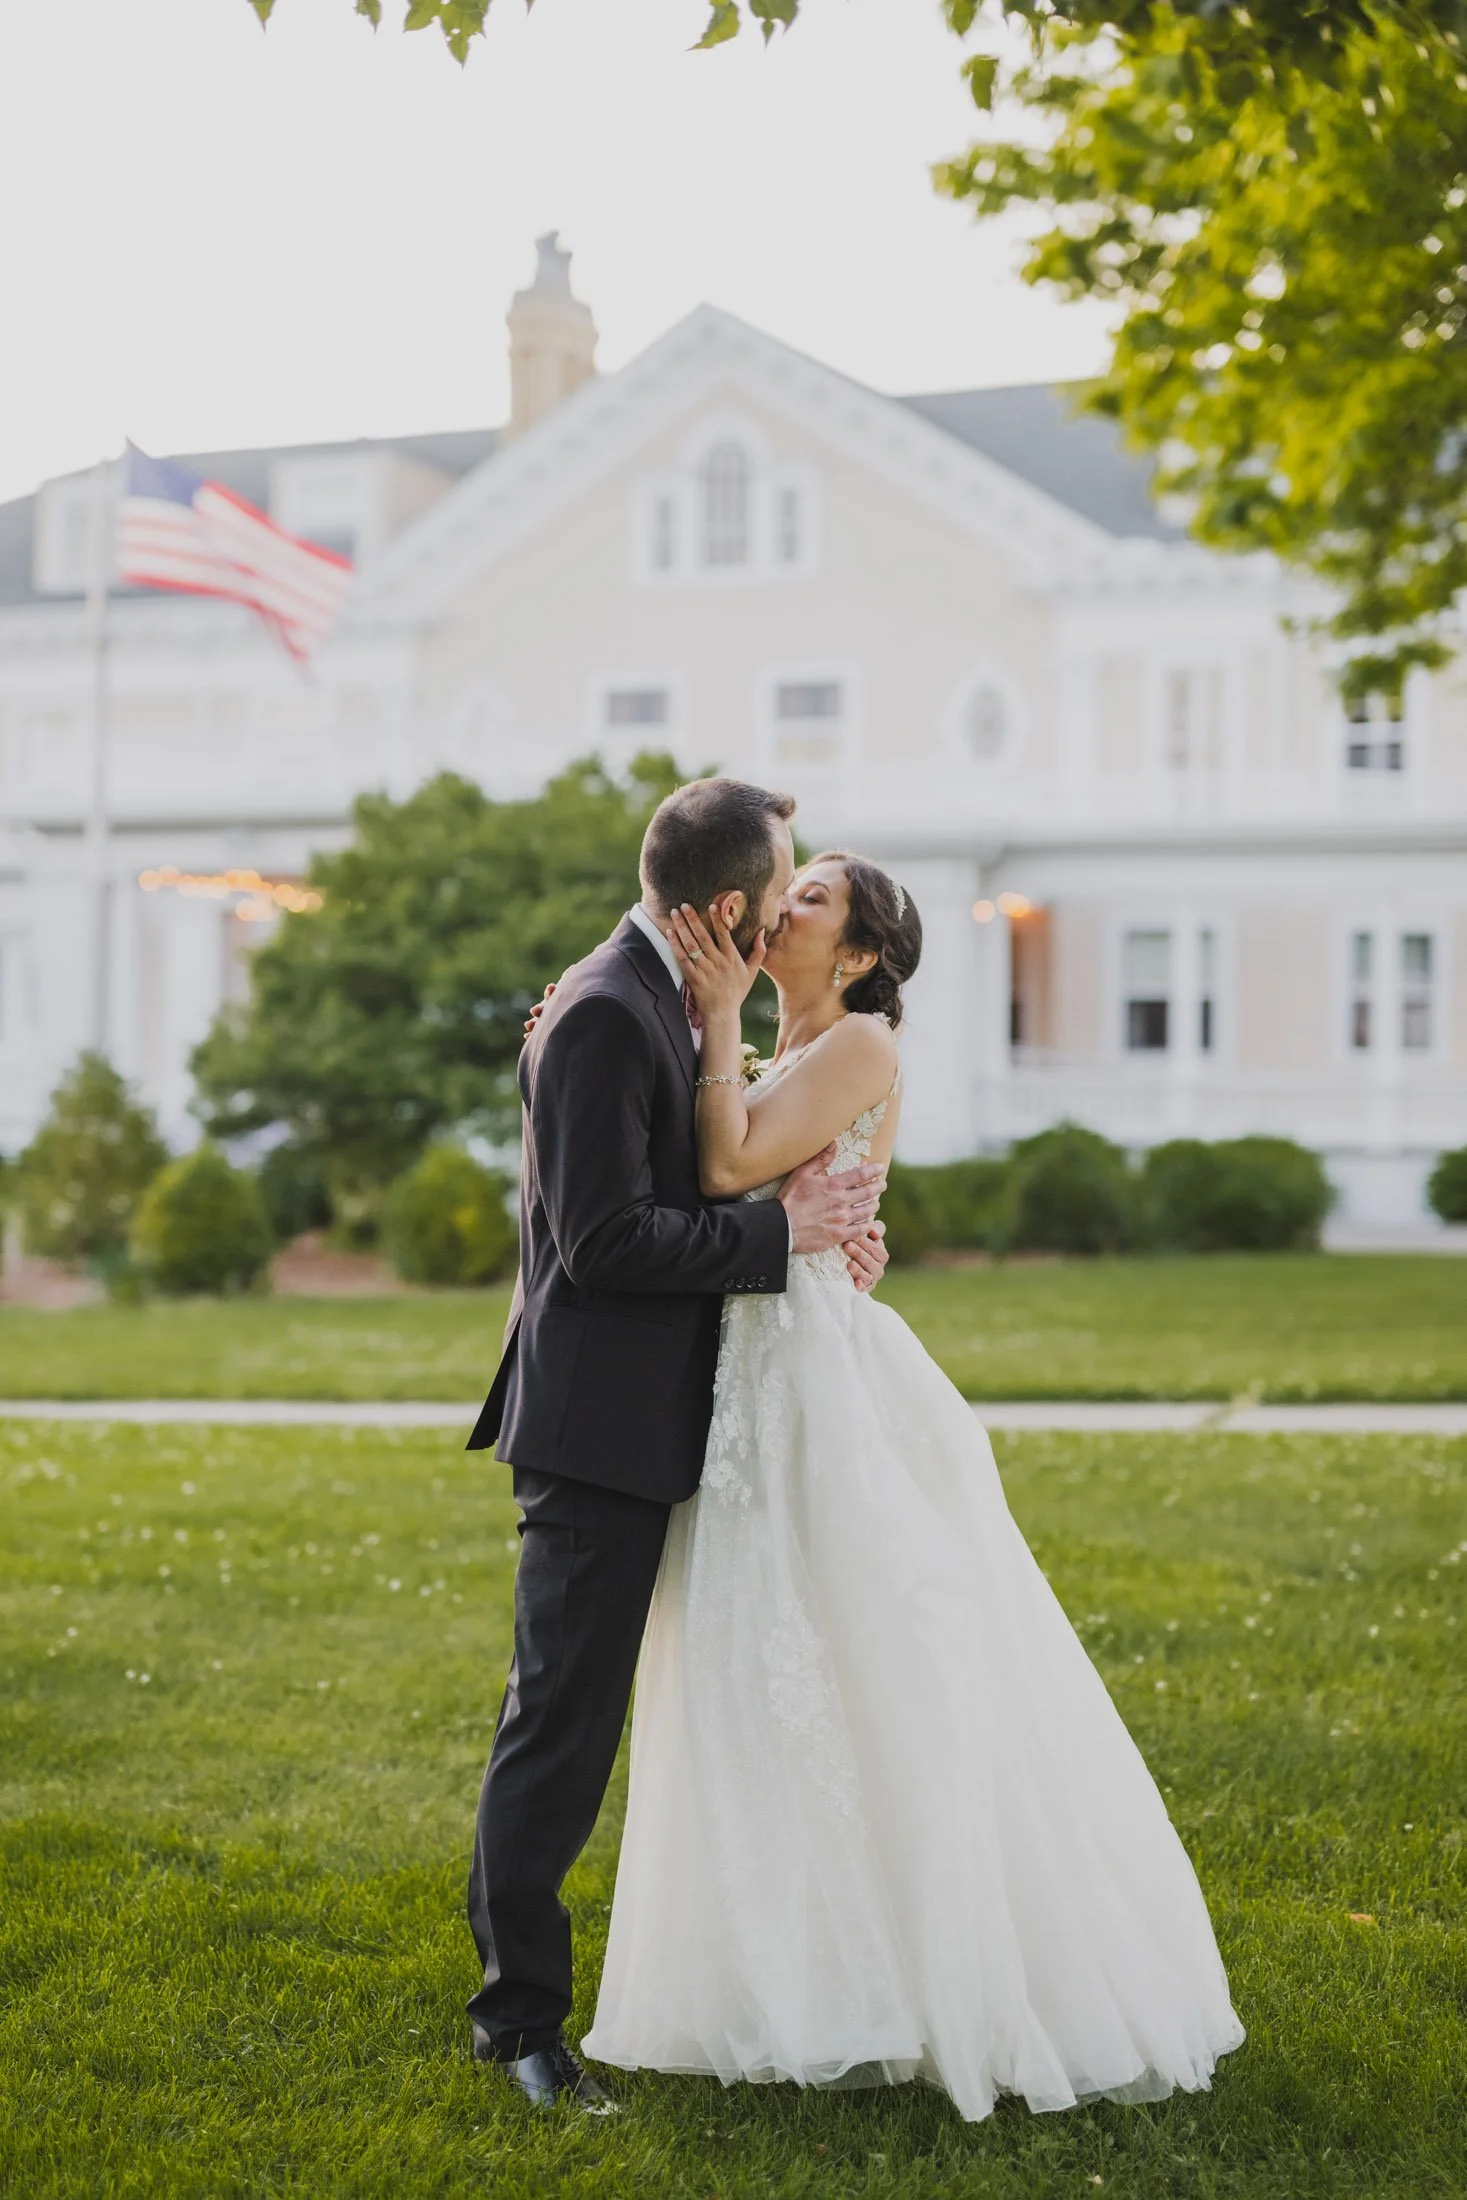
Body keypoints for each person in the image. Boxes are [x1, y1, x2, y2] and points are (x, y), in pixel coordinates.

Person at [581, 852, 1244, 2124]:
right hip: (746, 1366)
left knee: (856, 1662)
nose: (787, 904)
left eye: (816, 896)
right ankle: (777, 1974)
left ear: (863, 953)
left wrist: (716, 1019)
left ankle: (918, 1971)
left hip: (811, 1380)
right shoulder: (784, 1043)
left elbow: (725, 1172)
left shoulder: (862, 1040)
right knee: (752, 1669)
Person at [463, 780, 891, 2113]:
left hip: (668, 1419)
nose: (774, 922)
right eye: (773, 896)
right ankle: (517, 2022)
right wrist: (783, 1237)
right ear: (722, 909)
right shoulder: (605, 1006)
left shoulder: (629, 998)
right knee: (559, 1731)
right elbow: (603, 1242)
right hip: (598, 1428)